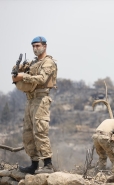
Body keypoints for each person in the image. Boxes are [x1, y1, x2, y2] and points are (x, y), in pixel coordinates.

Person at [12, 36, 57, 174]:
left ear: (45, 46)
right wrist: (18, 70)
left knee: (40, 131)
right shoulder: (33, 63)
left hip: (41, 99)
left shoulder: (48, 62)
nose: (35, 48)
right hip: (30, 99)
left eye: (38, 46)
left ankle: (48, 164)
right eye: (33, 46)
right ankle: (34, 164)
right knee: (28, 133)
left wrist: (23, 77)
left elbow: (42, 78)